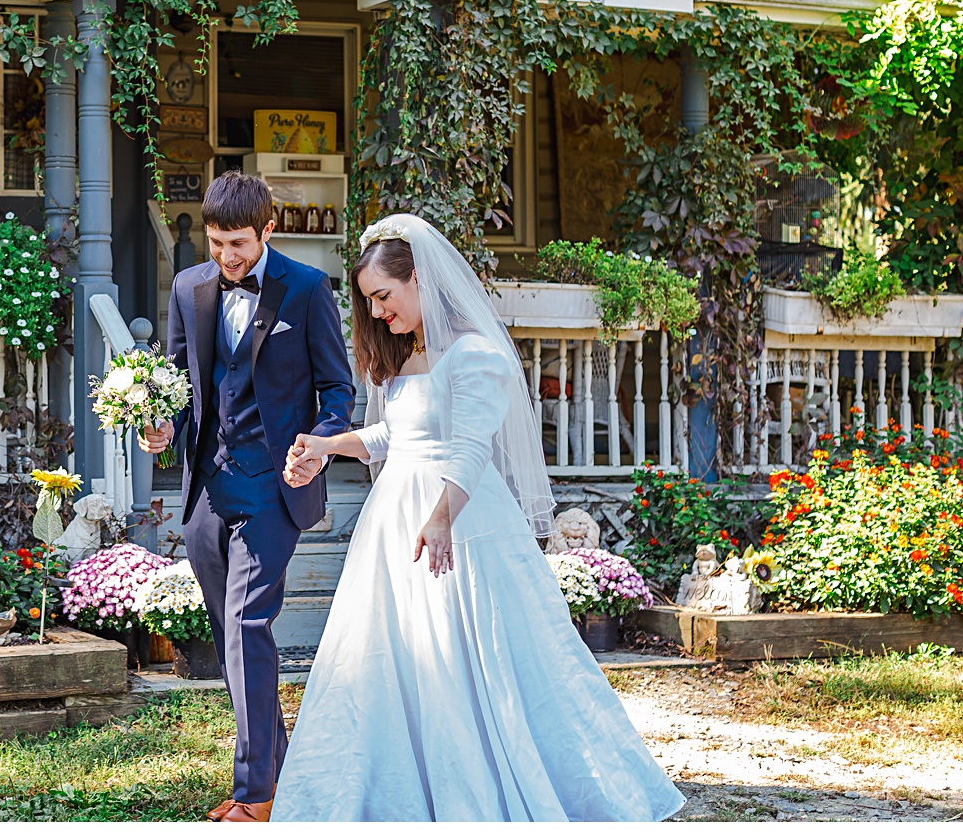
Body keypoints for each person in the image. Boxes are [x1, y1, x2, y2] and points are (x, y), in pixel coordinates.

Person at [270, 213, 685, 822]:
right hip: (393, 526)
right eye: (369, 302)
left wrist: (440, 518)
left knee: (476, 655)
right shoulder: (408, 355)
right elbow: (395, 437)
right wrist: (330, 445)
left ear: (418, 278)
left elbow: (467, 448)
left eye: (384, 296)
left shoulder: (476, 355)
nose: (379, 312)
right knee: (394, 658)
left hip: (459, 522)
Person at [138, 171, 354, 823]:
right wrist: (160, 426)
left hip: (275, 486)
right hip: (208, 487)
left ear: (267, 230)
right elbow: (178, 384)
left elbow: (339, 392)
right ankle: (277, 767)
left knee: (246, 625)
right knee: (230, 636)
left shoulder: (310, 290)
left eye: (237, 244)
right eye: (215, 244)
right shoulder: (187, 289)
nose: (226, 258)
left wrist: (319, 442)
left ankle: (255, 793)